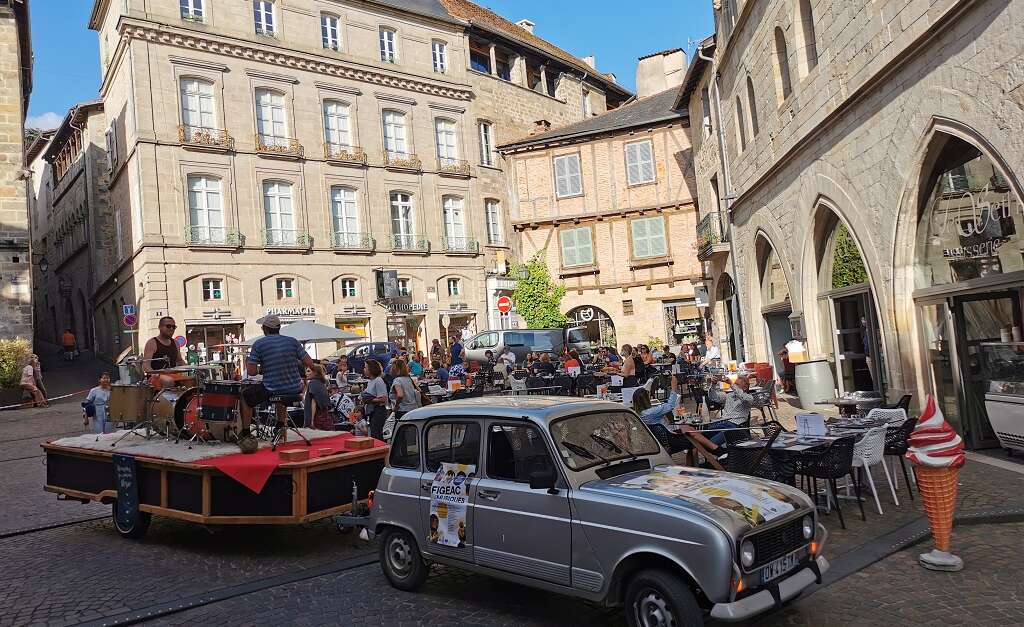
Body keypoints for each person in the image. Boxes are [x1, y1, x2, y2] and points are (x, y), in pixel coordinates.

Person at [241, 314, 315, 430]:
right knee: (281, 391)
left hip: (273, 388)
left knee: (246, 397)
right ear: (278, 328)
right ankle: (280, 426)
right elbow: (310, 363)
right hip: (295, 388)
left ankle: (245, 433)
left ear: (265, 329)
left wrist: (255, 365)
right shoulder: (293, 341)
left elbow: (252, 372)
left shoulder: (259, 344)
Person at [704, 374, 755, 445]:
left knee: (711, 443)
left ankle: (718, 453)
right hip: (722, 422)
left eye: (736, 384)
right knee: (699, 437)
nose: (734, 385)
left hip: (735, 426)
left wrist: (731, 383)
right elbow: (713, 397)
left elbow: (743, 397)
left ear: (745, 387)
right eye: (734, 384)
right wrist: (713, 384)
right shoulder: (729, 395)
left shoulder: (749, 397)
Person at [143, 317, 187, 389]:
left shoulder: (175, 343)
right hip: (156, 377)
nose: (171, 329)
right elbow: (145, 365)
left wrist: (191, 368)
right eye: (168, 326)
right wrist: (154, 374)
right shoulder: (152, 343)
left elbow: (179, 361)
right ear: (160, 327)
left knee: (192, 379)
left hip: (173, 375)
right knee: (168, 381)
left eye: (173, 327)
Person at [361, 359, 389, 440]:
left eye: (366, 367)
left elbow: (383, 399)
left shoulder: (378, 381)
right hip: (372, 412)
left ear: (371, 369)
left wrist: (369, 399)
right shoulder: (370, 381)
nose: (364, 369)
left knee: (377, 434)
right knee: (373, 433)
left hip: (379, 411)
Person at [303, 364, 333, 430]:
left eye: (308, 371)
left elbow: (314, 403)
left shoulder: (313, 383)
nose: (306, 373)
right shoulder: (321, 383)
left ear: (315, 373)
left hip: (317, 418)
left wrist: (311, 421)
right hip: (325, 417)